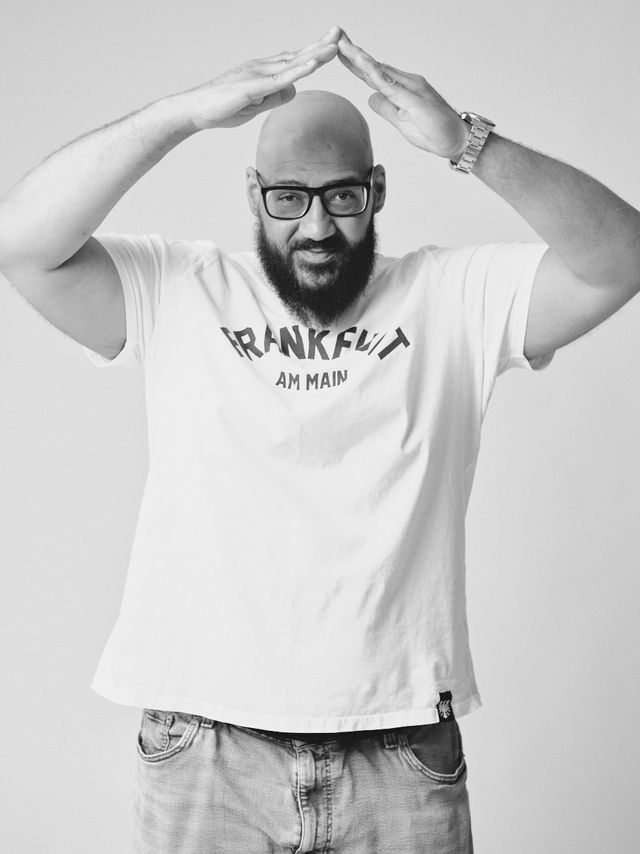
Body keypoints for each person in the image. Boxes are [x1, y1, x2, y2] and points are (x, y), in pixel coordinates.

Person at [1, 23, 639, 854]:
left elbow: (620, 260)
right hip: (206, 751)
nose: (316, 227)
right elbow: (22, 244)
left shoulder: (452, 299)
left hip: (400, 752)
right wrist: (179, 114)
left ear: (377, 190)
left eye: (341, 197)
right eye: (288, 198)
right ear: (253, 192)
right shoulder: (180, 290)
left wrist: (467, 143)